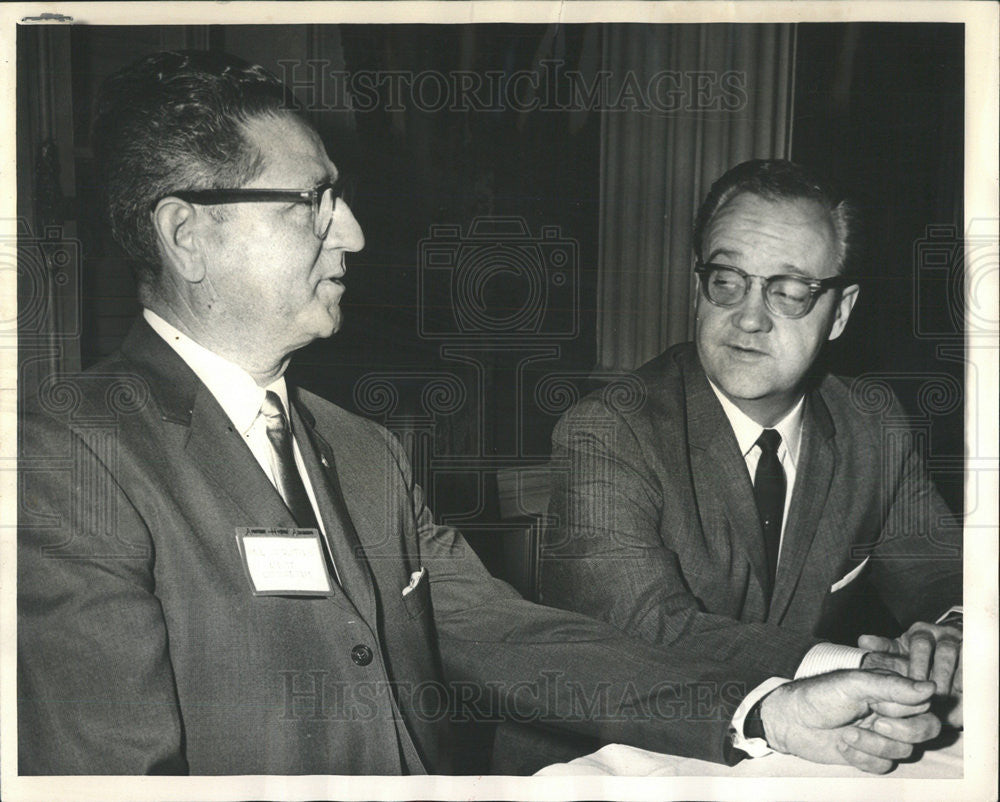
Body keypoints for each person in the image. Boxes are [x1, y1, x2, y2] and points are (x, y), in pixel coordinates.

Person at [18, 52, 942, 777]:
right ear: (188, 235)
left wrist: (765, 710)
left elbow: (513, 638)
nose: (354, 232)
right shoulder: (73, 450)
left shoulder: (364, 451)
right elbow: (109, 773)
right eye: (313, 202)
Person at [537, 159, 963, 765]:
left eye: (789, 292)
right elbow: (646, 631)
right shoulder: (610, 429)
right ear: (697, 288)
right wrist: (862, 665)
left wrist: (949, 636)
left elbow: (948, 576)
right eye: (727, 281)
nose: (750, 317)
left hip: (792, 757)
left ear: (840, 312)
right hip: (615, 758)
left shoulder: (872, 423)